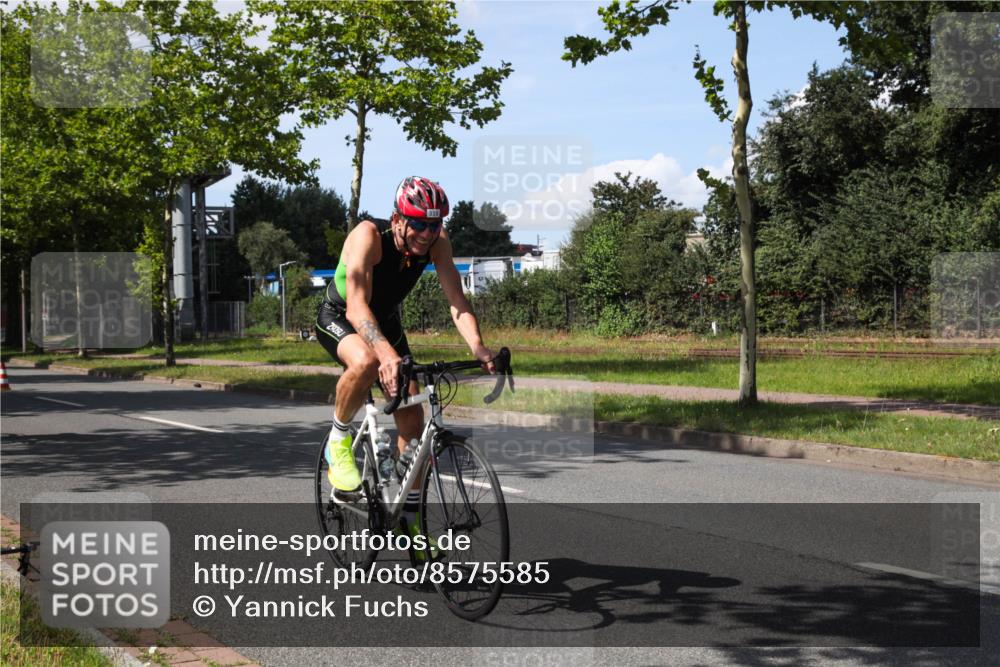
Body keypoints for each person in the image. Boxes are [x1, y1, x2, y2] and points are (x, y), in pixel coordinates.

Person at [316, 176, 496, 512]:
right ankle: (338, 441)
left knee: (413, 420)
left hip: (386, 321)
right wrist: (385, 355)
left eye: (434, 224)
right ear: (398, 219)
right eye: (418, 224)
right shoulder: (368, 236)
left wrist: (478, 347)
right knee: (367, 362)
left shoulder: (438, 242)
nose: (427, 233)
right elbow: (357, 306)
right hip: (341, 315)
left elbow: (456, 300)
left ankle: (407, 519)